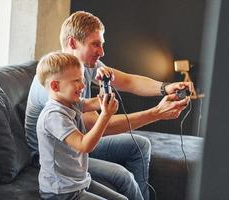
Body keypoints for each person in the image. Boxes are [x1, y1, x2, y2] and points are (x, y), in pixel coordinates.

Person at [25, 11, 192, 200]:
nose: (102, 52)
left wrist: (166, 88)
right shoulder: (55, 82)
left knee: (140, 145)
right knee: (122, 176)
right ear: (72, 43)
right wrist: (156, 113)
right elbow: (97, 128)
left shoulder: (83, 67)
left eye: (102, 44)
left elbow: (128, 82)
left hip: (76, 140)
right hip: (55, 156)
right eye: (95, 44)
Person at [36, 51, 127, 200]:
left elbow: (100, 101)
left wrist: (105, 83)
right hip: (61, 192)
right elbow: (85, 145)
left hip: (78, 182)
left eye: (83, 79)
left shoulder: (71, 102)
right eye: (76, 80)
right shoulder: (54, 116)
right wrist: (105, 116)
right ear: (55, 85)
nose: (83, 85)